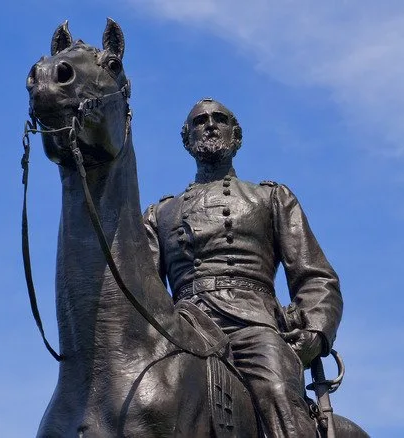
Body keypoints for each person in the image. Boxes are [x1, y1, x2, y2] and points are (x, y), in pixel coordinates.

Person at [143, 98, 343, 437]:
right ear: (186, 139)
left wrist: (315, 333)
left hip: (253, 324)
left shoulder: (271, 198)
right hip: (184, 327)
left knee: (278, 392)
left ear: (236, 136)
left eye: (219, 119)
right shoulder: (160, 213)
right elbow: (142, 290)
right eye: (199, 121)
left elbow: (317, 277)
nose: (209, 125)